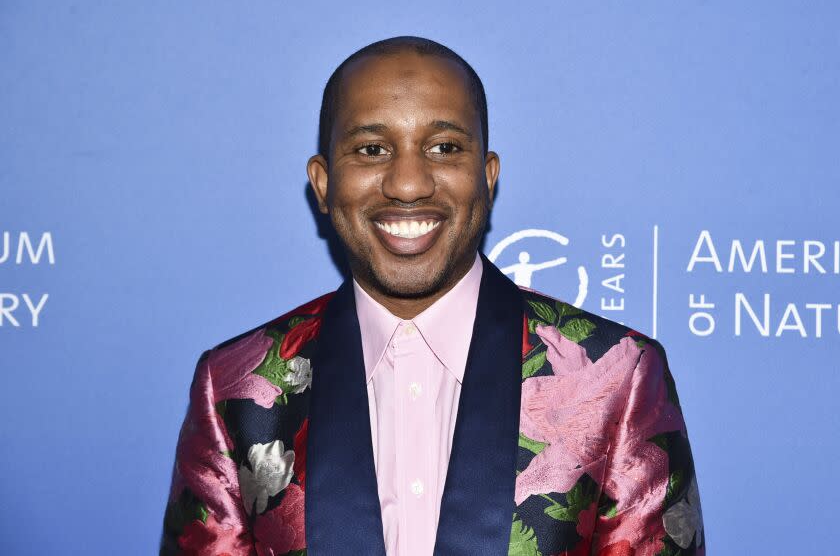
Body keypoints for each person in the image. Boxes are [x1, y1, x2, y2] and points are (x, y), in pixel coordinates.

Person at [160, 36, 704, 556]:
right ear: (323, 184)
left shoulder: (617, 376)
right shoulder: (237, 389)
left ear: (487, 178)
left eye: (444, 148)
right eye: (372, 149)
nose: (409, 183)